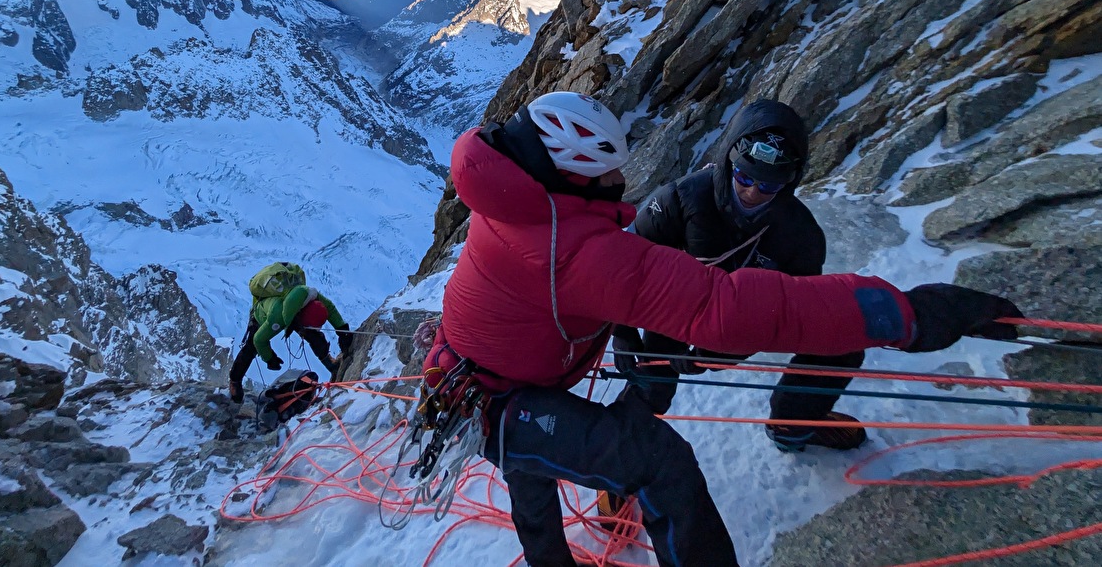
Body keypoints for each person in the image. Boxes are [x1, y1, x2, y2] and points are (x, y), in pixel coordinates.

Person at [425, 90, 1020, 567]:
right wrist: (906, 314)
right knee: (659, 461)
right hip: (502, 397)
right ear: (578, 177)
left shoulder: (515, 203)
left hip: (470, 376)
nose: (619, 184)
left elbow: (782, 302)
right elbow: (730, 309)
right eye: (609, 175)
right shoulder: (582, 245)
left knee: (530, 467)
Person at [613, 98, 869, 451]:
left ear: (788, 183)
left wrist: (726, 351)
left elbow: (795, 311)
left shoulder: (801, 235)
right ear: (728, 162)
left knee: (844, 338)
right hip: (673, 307)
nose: (751, 192)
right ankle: (623, 460)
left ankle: (793, 423)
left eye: (768, 186)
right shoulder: (682, 198)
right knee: (651, 383)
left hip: (744, 318)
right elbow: (623, 262)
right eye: (745, 177)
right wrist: (622, 331)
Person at [227, 261, 354, 405]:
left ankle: (332, 367)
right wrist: (269, 358)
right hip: (264, 314)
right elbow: (259, 340)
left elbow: (329, 308)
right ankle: (235, 381)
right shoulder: (277, 317)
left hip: (292, 308)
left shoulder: (311, 296)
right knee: (251, 347)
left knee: (314, 336)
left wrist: (343, 330)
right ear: (300, 317)